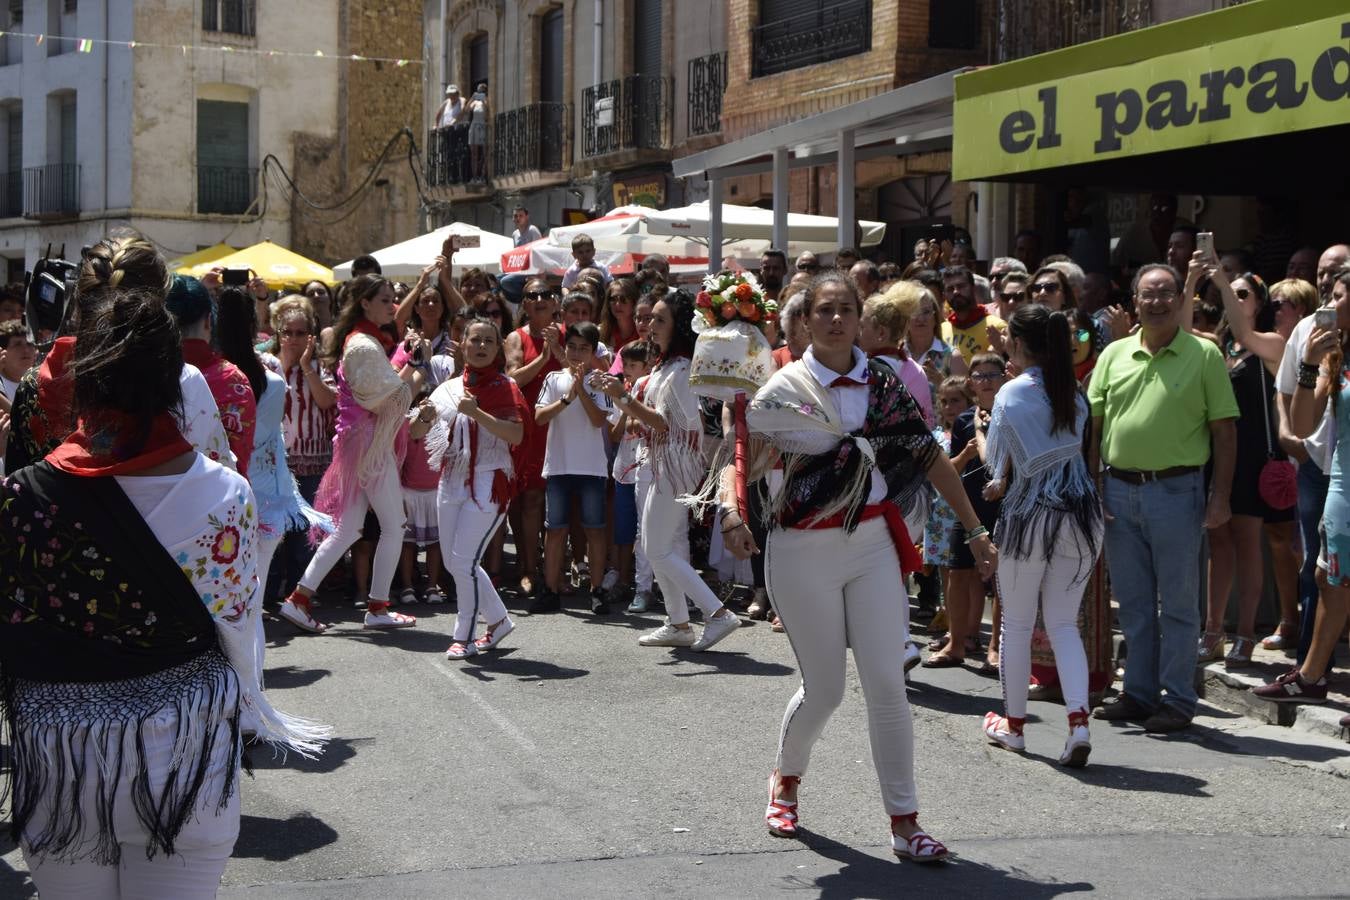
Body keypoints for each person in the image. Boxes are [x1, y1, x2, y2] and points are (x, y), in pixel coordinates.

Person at [0, 288, 326, 898]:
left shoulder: (21, 496)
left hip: (64, 762)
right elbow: (238, 630)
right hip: (182, 752)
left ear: (84, 379)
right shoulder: (224, 493)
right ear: (173, 381)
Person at [719, 270, 997, 862]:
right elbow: (739, 455)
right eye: (824, 310)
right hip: (801, 549)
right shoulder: (781, 388)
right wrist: (732, 513)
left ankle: (905, 822)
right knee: (825, 690)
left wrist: (975, 530)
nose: (836, 320)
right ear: (804, 321)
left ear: (861, 318)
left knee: (887, 684)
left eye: (846, 309)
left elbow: (929, 456)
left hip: (872, 544)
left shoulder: (884, 383)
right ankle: (785, 780)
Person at [1090, 263, 1238, 734]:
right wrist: (1094, 486)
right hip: (1117, 491)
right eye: (1147, 294)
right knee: (1133, 604)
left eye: (1165, 293)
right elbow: (1094, 427)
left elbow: (1225, 431)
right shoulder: (1113, 354)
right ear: (1134, 301)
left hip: (1177, 491)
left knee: (1177, 603)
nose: (1156, 302)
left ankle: (1177, 699)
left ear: (1180, 300)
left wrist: (1220, 496)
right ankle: (1138, 693)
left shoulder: (1204, 354)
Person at [979, 304, 1103, 764]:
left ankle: (1013, 727)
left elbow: (995, 468)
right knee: (1064, 624)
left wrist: (983, 428)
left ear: (1017, 343)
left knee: (1015, 623)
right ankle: (1079, 723)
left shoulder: (1010, 394)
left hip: (1030, 516)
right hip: (1080, 514)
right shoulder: (1074, 392)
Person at [590, 291, 742, 650]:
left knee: (656, 547)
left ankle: (717, 613)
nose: (650, 325)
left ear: (678, 326)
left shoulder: (682, 368)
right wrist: (622, 396)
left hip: (674, 465)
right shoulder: (664, 366)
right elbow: (652, 422)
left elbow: (664, 422)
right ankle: (679, 624)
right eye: (649, 318)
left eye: (660, 320)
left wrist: (622, 397)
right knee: (661, 544)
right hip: (660, 461)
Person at [280, 274, 418, 632]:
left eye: (392, 298)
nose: (393, 305)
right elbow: (392, 397)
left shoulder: (362, 341)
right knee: (393, 525)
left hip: (359, 443)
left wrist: (407, 357)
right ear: (365, 303)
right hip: (369, 445)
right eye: (385, 299)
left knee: (348, 529)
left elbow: (383, 385)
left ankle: (299, 600)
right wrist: (417, 368)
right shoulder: (363, 345)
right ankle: (377, 607)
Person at [1256, 271, 1350, 706]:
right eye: (1330, 294)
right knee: (1327, 576)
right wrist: (1311, 365)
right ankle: (1310, 677)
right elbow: (1304, 425)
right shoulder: (1335, 354)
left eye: (1341, 296)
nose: (1330, 304)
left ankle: (1311, 676)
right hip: (1340, 482)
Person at [411, 316, 530, 659]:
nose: (481, 346)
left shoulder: (506, 387)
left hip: (488, 481)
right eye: (475, 339)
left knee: (464, 561)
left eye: (488, 341)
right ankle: (499, 620)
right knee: (455, 562)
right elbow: (416, 433)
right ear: (462, 344)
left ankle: (463, 635)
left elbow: (517, 435)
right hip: (451, 480)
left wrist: (478, 414)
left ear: (498, 349)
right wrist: (424, 416)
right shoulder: (446, 389)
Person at [1198, 266, 1291, 668]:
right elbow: (1181, 330)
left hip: (1252, 457)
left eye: (1241, 294)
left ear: (1259, 302)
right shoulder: (1216, 345)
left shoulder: (1272, 343)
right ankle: (1212, 630)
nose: (1232, 299)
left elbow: (1245, 333)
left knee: (1248, 543)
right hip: (1217, 453)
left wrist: (1221, 280)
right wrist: (1193, 280)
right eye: (1228, 294)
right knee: (1217, 543)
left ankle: (1246, 634)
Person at [924, 353, 1005, 669]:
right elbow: (952, 471)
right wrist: (968, 453)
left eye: (992, 375)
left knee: (1001, 582)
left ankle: (995, 647)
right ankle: (955, 644)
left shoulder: (1012, 413)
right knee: (957, 573)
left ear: (1003, 378)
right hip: (968, 508)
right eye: (979, 376)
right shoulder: (963, 421)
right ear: (971, 382)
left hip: (1004, 508)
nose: (986, 382)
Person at [533, 322, 614, 614]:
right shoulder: (553, 378)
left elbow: (599, 420)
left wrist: (581, 389)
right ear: (565, 348)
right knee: (555, 530)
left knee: (595, 530)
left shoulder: (601, 381)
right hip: (559, 466)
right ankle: (550, 590)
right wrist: (568, 397)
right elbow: (540, 417)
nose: (577, 353)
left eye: (584, 348)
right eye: (572, 347)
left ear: (593, 352)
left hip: (592, 468)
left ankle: (597, 591)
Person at [504, 278, 564, 596]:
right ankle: (528, 569)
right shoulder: (517, 337)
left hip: (563, 426)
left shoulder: (567, 333)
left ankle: (555, 569)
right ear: (524, 304)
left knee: (562, 501)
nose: (540, 299)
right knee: (529, 500)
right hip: (530, 428)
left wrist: (558, 349)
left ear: (555, 302)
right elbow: (512, 378)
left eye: (545, 294)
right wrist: (542, 357)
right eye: (532, 295)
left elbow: (581, 370)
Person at [166, 276, 257, 479]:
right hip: (220, 493)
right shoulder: (233, 381)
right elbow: (238, 461)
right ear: (208, 321)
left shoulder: (145, 373)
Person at [609, 341, 653, 610]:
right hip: (624, 472)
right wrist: (627, 408)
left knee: (647, 531)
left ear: (647, 367)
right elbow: (616, 434)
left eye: (633, 365)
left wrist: (634, 409)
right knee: (624, 532)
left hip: (648, 471)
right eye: (625, 364)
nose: (627, 369)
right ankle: (624, 581)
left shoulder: (653, 391)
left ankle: (647, 586)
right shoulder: (621, 392)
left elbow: (645, 426)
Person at [397, 387, 446, 605]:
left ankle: (432, 587)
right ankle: (407, 586)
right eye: (420, 402)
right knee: (408, 544)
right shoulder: (405, 426)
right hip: (409, 492)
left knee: (435, 544)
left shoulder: (442, 427)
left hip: (435, 493)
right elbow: (399, 461)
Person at [942, 265, 1005, 364]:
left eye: (961, 286)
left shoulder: (997, 326)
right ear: (944, 295)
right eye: (950, 289)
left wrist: (1000, 349)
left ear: (973, 288)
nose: (956, 292)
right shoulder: (941, 329)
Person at [466, 82, 488, 182]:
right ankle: (474, 176)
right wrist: (472, 98)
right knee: (474, 153)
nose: (480, 93)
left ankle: (483, 175)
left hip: (483, 125)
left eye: (482, 91)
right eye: (479, 90)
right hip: (474, 125)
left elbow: (487, 112)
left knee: (484, 152)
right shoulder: (475, 102)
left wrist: (484, 100)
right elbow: (467, 110)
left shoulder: (487, 100)